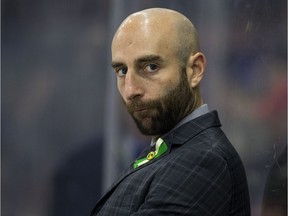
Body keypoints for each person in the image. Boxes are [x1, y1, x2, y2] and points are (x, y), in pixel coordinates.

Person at [91, 8, 250, 215]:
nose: (130, 91)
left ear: (195, 70)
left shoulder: (203, 160)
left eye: (151, 67)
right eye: (122, 71)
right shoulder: (172, 149)